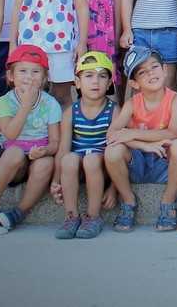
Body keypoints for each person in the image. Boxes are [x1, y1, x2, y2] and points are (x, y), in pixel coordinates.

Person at [104, 45, 177, 233]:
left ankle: (168, 201)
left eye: (154, 67)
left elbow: (174, 132)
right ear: (134, 83)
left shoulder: (175, 100)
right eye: (142, 72)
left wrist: (133, 133)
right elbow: (112, 135)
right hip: (138, 163)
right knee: (112, 151)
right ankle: (128, 200)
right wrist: (145, 146)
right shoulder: (131, 103)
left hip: (165, 164)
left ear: (164, 69)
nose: (151, 74)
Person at [0, 44, 62, 234]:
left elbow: (55, 142)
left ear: (44, 78)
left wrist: (45, 151)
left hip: (37, 157)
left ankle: (19, 212)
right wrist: (25, 105)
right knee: (14, 153)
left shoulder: (51, 104)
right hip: (13, 160)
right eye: (23, 71)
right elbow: (10, 134)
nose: (29, 77)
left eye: (36, 72)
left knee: (46, 163)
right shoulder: (4, 101)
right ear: (11, 76)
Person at [51, 51, 116, 240]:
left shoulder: (114, 111)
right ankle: (71, 216)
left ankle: (93, 216)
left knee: (91, 159)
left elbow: (117, 152)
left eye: (102, 76)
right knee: (69, 159)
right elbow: (63, 149)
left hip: (101, 166)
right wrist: (55, 180)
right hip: (77, 165)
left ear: (110, 83)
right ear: (77, 83)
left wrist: (113, 188)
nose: (95, 81)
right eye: (88, 76)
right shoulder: (71, 112)